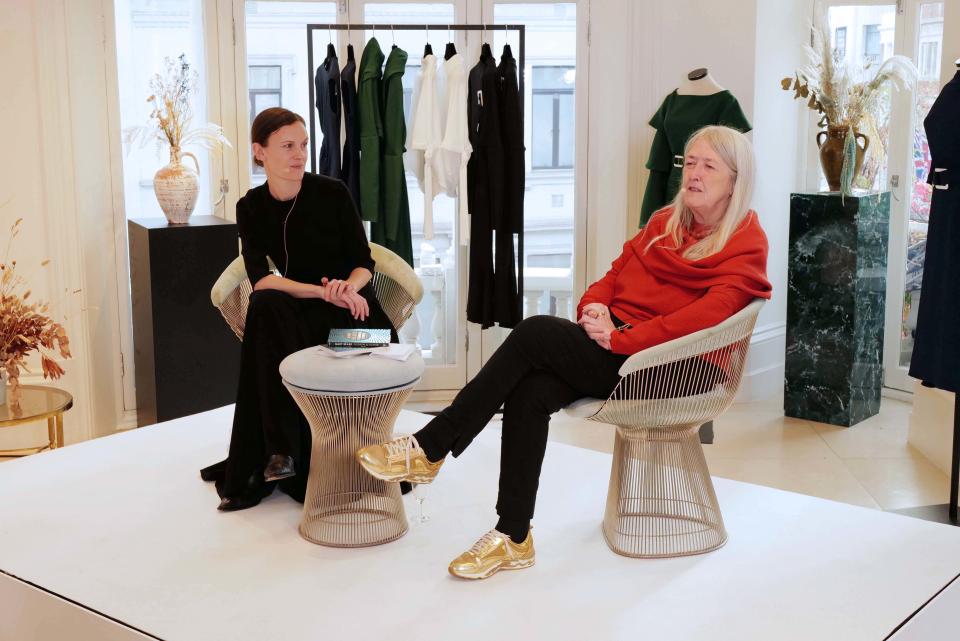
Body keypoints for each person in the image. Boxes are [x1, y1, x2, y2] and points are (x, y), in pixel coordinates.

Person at [357, 125, 772, 579]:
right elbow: (614, 275)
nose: (693, 173)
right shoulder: (664, 224)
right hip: (618, 349)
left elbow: (704, 319)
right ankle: (513, 536)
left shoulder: (744, 244)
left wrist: (620, 339)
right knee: (532, 391)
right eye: (689, 163)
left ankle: (432, 446)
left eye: (708, 165)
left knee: (535, 332)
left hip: (674, 368)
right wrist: (594, 306)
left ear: (735, 179)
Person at [202, 107, 397, 512]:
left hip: (361, 328)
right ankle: (282, 454)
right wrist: (321, 292)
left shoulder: (332, 192)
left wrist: (347, 288)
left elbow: (365, 262)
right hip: (306, 321)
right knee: (267, 304)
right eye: (288, 146)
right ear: (260, 152)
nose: (299, 154)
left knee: (270, 324)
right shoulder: (251, 207)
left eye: (304, 144)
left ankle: (282, 450)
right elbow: (263, 279)